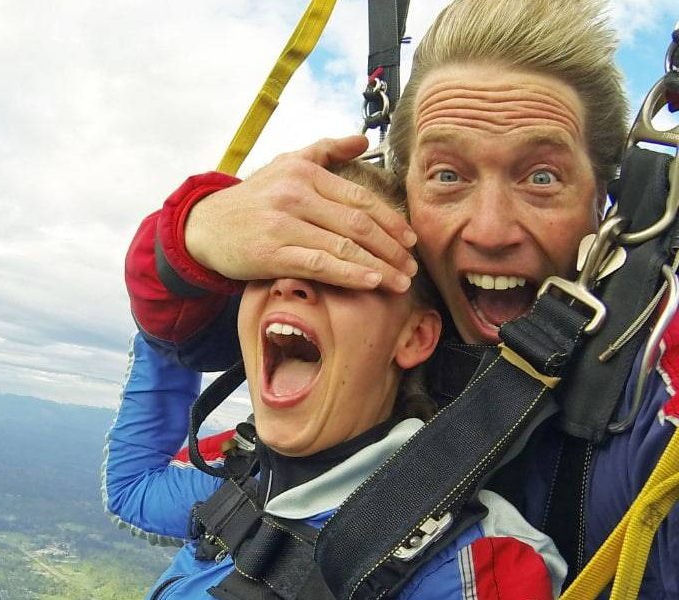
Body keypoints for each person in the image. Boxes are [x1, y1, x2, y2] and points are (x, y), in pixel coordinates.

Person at [121, 0, 679, 596]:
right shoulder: (336, 398)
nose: (490, 231)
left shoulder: (643, 397)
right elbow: (170, 364)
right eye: (447, 175)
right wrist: (193, 230)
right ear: (405, 193)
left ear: (605, 203)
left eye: (541, 177)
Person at [104, 161, 566, 599]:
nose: (287, 285)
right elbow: (134, 490)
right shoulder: (242, 470)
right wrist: (180, 275)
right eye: (266, 267)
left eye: (342, 271)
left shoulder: (470, 564)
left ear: (414, 336)